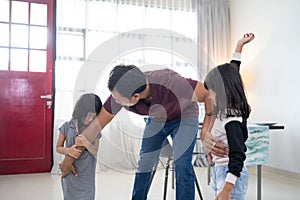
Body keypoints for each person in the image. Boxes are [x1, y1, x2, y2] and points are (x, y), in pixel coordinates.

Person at [58, 33, 253, 200]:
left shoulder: (171, 82)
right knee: (144, 163)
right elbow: (95, 128)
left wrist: (205, 132)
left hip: (185, 116)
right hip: (158, 120)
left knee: (181, 163)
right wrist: (70, 156)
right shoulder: (121, 92)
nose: (114, 102)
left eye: (118, 100)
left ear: (135, 97)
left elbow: (208, 93)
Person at [204, 33, 255, 200]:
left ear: (223, 91)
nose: (209, 97)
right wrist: (239, 45)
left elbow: (237, 155)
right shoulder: (223, 111)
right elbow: (233, 68)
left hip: (230, 175)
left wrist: (227, 188)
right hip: (220, 170)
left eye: (211, 92)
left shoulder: (232, 119)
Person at [56, 93, 102, 200]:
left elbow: (95, 151)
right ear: (80, 112)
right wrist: (69, 150)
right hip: (70, 175)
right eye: (88, 115)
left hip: (87, 177)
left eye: (93, 116)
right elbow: (58, 147)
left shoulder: (94, 130)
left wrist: (86, 143)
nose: (91, 119)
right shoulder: (67, 127)